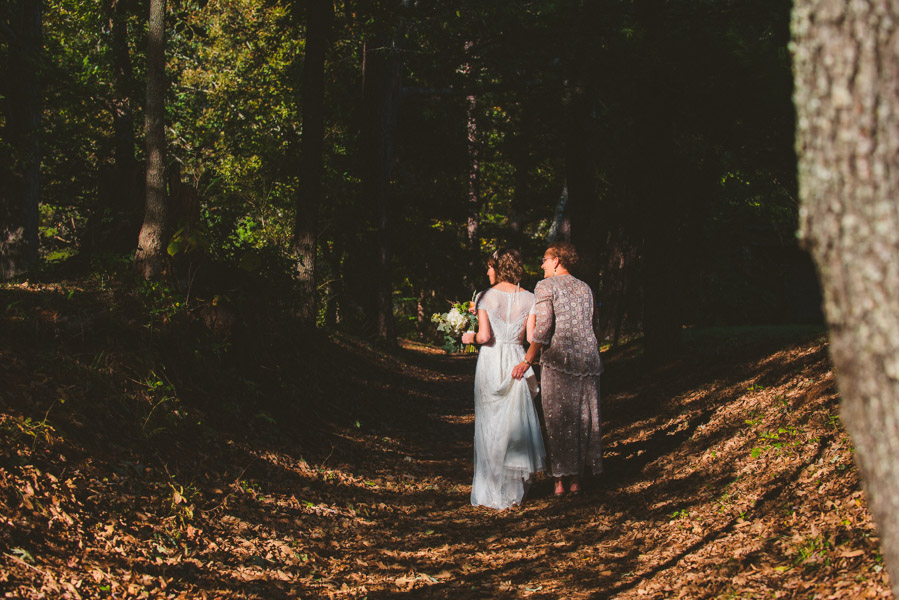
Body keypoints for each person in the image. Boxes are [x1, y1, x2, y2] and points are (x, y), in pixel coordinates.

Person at [512, 241, 603, 497]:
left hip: (559, 362)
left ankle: (559, 481)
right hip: (588, 362)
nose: (541, 264)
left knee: (557, 420)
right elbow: (597, 327)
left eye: (544, 259)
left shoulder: (545, 285)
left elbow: (543, 329)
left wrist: (527, 360)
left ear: (557, 260)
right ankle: (577, 478)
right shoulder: (585, 287)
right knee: (582, 419)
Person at [461, 249, 546, 509]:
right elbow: (533, 338)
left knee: (490, 422)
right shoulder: (531, 297)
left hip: (491, 360)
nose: (487, 272)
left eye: (490, 267)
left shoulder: (486, 296)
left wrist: (469, 337)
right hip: (517, 360)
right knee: (514, 421)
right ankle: (514, 491)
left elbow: (485, 337)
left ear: (498, 267)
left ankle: (491, 489)